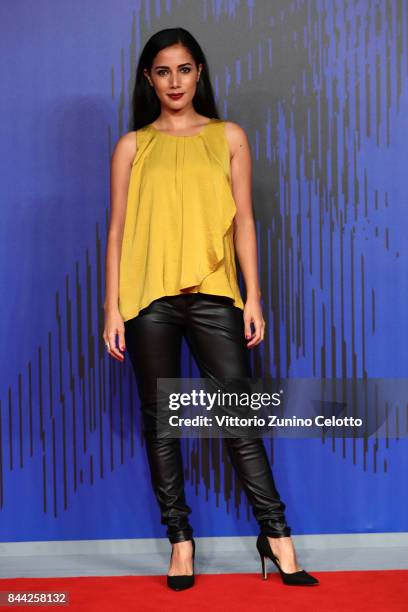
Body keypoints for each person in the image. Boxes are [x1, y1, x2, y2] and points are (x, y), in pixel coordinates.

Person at [103, 27, 319, 590]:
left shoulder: (227, 137)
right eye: (162, 71)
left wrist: (254, 296)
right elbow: (118, 232)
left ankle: (275, 535)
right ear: (148, 79)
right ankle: (180, 542)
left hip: (215, 295)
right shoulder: (133, 146)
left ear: (199, 73)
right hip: (146, 299)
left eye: (184, 69)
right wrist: (110, 309)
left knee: (238, 418)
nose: (174, 81)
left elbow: (244, 219)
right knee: (161, 424)